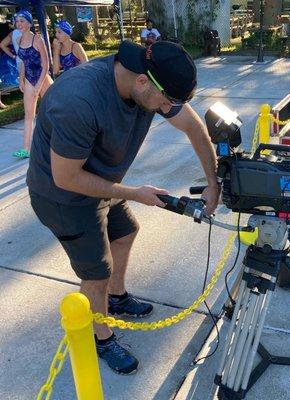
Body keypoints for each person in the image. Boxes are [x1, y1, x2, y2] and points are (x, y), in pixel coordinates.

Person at [27, 40, 220, 374]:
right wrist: (133, 192)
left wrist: (213, 183)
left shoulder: (146, 80)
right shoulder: (79, 100)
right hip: (63, 196)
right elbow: (66, 176)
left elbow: (193, 127)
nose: (168, 109)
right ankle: (101, 336)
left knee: (126, 231)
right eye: (167, 101)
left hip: (99, 183)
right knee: (95, 274)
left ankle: (116, 298)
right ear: (144, 82)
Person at [13, 10, 53, 159]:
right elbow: (24, 62)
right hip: (29, 79)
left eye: (22, 21)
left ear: (29, 23)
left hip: (43, 78)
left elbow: (46, 64)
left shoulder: (37, 39)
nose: (19, 24)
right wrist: (21, 79)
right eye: (17, 21)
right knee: (29, 115)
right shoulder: (18, 41)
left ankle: (61, 142)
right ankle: (26, 149)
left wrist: (39, 85)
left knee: (53, 112)